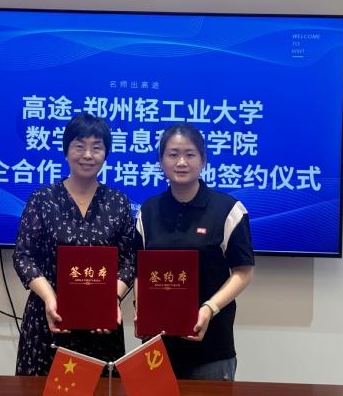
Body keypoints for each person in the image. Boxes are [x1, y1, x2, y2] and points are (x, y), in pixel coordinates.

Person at [13, 113, 135, 376]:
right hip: (49, 318)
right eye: (79, 146)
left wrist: (111, 299)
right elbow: (23, 256)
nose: (87, 155)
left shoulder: (119, 202)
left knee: (101, 390)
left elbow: (129, 261)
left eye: (97, 147)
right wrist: (50, 298)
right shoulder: (42, 199)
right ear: (66, 151)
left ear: (106, 153)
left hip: (101, 324)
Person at [134, 123, 255, 381]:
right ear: (160, 162)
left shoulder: (229, 209)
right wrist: (141, 310)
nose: (181, 162)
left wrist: (209, 308)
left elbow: (244, 273)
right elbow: (140, 270)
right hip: (158, 348)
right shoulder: (148, 210)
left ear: (203, 160)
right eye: (173, 154)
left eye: (190, 154)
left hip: (211, 350)